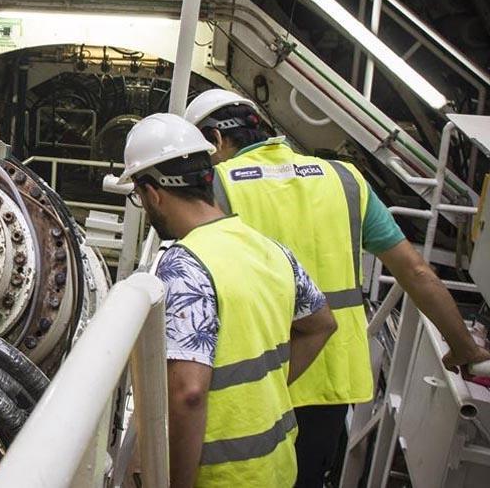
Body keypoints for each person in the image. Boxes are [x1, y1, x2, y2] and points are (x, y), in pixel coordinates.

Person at [184, 88, 490, 487]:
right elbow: (415, 272)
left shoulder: (217, 188)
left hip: (254, 380)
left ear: (216, 140)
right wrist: (462, 345)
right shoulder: (346, 181)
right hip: (331, 375)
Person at [120, 113, 337, 488]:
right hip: (278, 465)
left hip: (222, 476)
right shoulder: (270, 249)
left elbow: (188, 394)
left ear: (153, 193)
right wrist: (259, 394)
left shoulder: (184, 266)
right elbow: (322, 325)